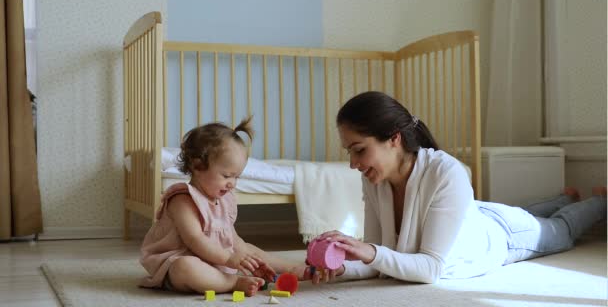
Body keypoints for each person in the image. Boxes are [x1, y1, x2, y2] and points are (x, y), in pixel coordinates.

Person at [313, 91, 606, 284]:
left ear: (394, 138)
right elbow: (381, 262)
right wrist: (342, 267)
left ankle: (599, 201)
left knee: (561, 231)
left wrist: (370, 251)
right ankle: (563, 197)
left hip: (504, 236)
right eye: (348, 152)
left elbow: (429, 269)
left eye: (359, 150)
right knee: (527, 212)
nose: (353, 163)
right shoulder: (375, 179)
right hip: (478, 214)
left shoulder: (446, 171)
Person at [139, 117, 311, 296]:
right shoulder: (182, 200)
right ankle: (233, 282)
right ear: (197, 165)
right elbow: (195, 239)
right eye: (227, 175)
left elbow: (232, 239)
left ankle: (291, 267)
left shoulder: (224, 199)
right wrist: (229, 259)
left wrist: (247, 260)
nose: (232, 184)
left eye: (237, 177)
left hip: (215, 261)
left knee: (247, 248)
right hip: (176, 262)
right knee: (185, 267)